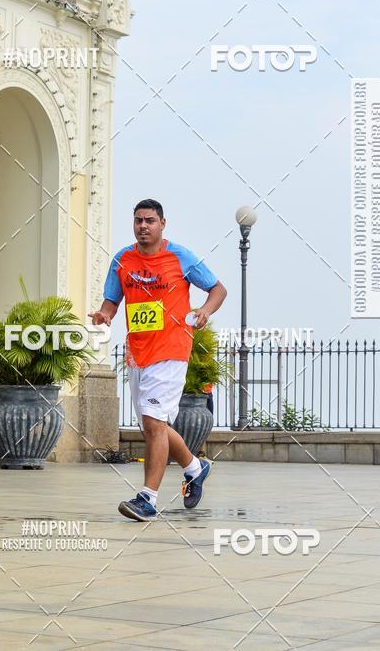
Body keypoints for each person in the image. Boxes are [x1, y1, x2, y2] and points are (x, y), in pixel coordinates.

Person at [90, 199, 226, 521]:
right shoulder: (123, 259)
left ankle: (147, 499)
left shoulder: (181, 257)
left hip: (172, 351)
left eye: (150, 220)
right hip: (139, 354)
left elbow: (218, 289)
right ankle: (195, 467)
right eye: (138, 221)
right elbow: (113, 300)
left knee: (152, 423)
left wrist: (205, 311)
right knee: (156, 426)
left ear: (163, 223)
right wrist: (105, 315)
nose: (143, 226)